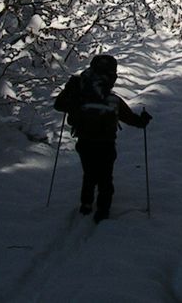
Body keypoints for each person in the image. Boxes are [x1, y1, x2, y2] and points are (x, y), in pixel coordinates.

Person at [53, 54, 151, 222]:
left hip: (84, 140)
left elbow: (59, 106)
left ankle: (86, 205)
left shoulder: (80, 94)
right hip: (106, 142)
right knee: (105, 177)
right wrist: (143, 120)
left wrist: (69, 90)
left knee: (89, 173)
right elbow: (132, 120)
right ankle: (103, 210)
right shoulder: (112, 100)